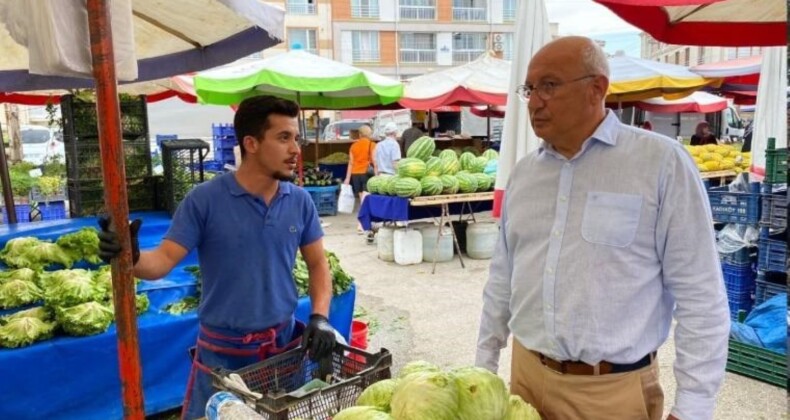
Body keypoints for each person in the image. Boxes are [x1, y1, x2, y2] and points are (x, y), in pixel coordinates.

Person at [476, 36, 729, 420]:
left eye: (549, 85)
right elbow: (502, 278)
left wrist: (693, 408)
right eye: (529, 88)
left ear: (597, 88)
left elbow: (701, 295)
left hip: (611, 393)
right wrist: (482, 368)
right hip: (525, 381)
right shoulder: (524, 174)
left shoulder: (660, 163)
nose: (534, 101)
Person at [97, 96, 337, 420]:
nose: (296, 149)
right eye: (283, 138)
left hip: (282, 351)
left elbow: (318, 264)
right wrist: (130, 256)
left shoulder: (300, 201)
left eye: (296, 138)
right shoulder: (203, 201)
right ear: (251, 143)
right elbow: (162, 261)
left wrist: (319, 317)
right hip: (223, 356)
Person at [344, 125, 377, 233]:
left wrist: (347, 178)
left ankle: (364, 222)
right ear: (369, 134)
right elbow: (375, 162)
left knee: (362, 199)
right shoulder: (372, 145)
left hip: (355, 174)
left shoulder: (353, 146)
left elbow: (351, 163)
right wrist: (377, 176)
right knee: (365, 200)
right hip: (366, 174)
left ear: (359, 134)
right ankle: (361, 224)